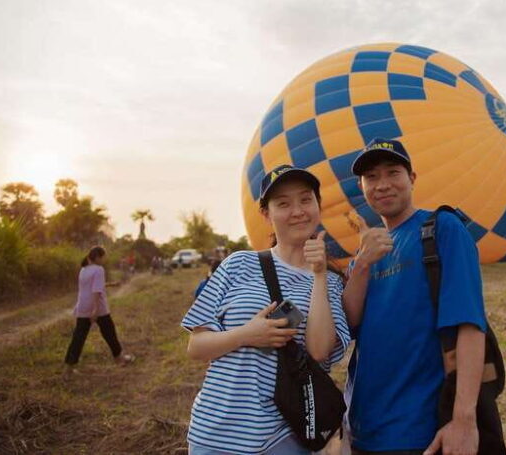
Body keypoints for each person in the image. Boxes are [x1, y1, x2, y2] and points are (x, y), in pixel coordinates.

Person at [181, 164, 351, 455]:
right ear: (266, 214)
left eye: (305, 200)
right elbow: (196, 346)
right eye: (283, 203)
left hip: (284, 437)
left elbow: (320, 351)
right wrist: (247, 334)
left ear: (318, 206)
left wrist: (320, 275)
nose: (297, 210)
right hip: (215, 433)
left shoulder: (333, 283)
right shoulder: (237, 265)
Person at [343, 138, 488, 455]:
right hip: (362, 427)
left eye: (393, 172)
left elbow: (470, 326)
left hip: (418, 430)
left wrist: (464, 420)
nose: (382, 185)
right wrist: (362, 263)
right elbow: (351, 324)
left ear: (412, 178)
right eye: (371, 178)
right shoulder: (363, 257)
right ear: (362, 186)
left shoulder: (442, 229)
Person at [64, 246, 134, 372]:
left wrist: (111, 284)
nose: (104, 260)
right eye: (103, 257)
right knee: (109, 333)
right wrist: (95, 310)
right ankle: (119, 359)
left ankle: (70, 366)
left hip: (82, 306)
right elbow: (96, 290)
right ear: (97, 257)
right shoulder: (99, 270)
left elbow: (92, 286)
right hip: (98, 308)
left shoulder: (83, 270)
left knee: (78, 337)